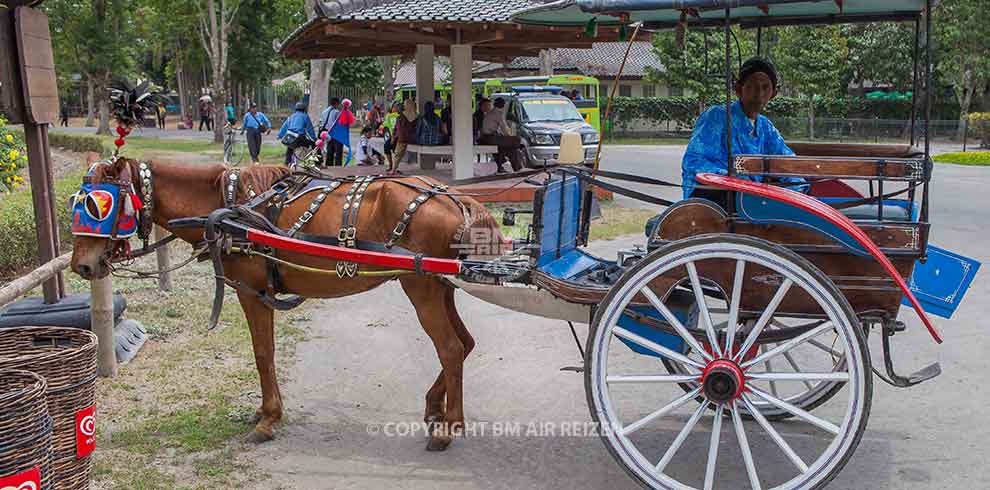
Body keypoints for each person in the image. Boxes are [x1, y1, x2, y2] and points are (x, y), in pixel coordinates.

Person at [681, 57, 806, 209]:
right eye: (751, 87)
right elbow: (694, 162)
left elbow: (785, 161)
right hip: (713, 196)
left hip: (749, 197)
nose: (758, 94)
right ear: (739, 89)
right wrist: (738, 180)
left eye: (765, 87)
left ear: (774, 93)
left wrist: (799, 189)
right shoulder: (717, 117)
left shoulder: (766, 127)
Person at [480, 97, 522, 174]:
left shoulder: (492, 112)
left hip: (487, 137)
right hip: (489, 137)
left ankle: (504, 166)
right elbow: (504, 129)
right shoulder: (498, 113)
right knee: (516, 140)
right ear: (503, 105)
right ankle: (517, 168)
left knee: (509, 148)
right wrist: (510, 138)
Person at [389, 98, 418, 175]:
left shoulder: (401, 117)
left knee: (397, 154)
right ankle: (394, 169)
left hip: (402, 139)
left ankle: (393, 169)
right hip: (413, 139)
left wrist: (394, 137)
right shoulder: (416, 116)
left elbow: (398, 129)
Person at [326, 99, 356, 166]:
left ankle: (329, 166)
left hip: (331, 134)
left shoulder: (334, 112)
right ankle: (338, 167)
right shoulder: (342, 113)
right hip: (339, 136)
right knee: (338, 153)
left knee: (330, 152)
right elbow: (350, 123)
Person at [318, 97, 341, 166]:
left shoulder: (324, 111)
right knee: (338, 151)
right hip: (335, 133)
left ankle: (328, 165)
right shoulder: (336, 112)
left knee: (330, 150)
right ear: (336, 103)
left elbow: (321, 122)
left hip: (327, 133)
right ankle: (338, 167)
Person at [382, 101, 401, 169]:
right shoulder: (389, 116)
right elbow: (389, 127)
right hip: (393, 136)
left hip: (399, 137)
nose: (395, 108)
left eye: (397, 107)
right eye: (394, 106)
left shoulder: (400, 115)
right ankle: (391, 165)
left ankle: (395, 167)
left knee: (395, 149)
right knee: (386, 146)